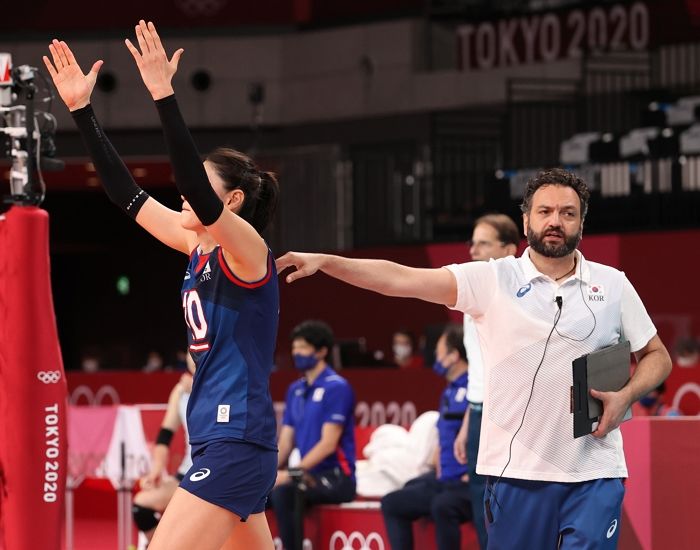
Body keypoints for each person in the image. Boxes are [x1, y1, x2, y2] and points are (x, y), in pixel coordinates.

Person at [276, 168, 672, 549]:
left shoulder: (613, 284)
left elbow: (656, 356)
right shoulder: (491, 280)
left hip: (594, 473)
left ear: (582, 222)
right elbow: (400, 278)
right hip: (515, 476)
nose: (556, 221)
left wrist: (627, 395)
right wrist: (328, 262)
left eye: (568, 213)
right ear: (526, 219)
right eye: (545, 211)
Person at [44, 20, 280, 550]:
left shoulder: (245, 250)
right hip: (224, 442)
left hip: (234, 440)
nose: (180, 193)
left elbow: (193, 185)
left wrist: (163, 95)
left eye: (197, 185)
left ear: (233, 203)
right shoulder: (195, 245)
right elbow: (124, 193)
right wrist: (82, 112)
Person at [452, 213, 519, 550]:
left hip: (510, 412)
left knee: (513, 499)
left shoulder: (521, 297)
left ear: (508, 249)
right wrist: (469, 418)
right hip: (480, 412)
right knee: (482, 500)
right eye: (472, 243)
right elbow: (479, 369)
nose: (473, 250)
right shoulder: (470, 296)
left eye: (483, 243)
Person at [381, 324, 472, 550]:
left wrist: (474, 474)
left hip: (469, 482)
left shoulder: (475, 389)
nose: (435, 358)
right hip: (445, 479)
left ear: (454, 356)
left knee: (442, 506)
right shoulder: (449, 391)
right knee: (393, 502)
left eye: (439, 353)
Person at [271, 320, 356, 550]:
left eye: (303, 347)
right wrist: (266, 474)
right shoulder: (295, 390)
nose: (296, 352)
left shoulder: (337, 387)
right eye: (294, 347)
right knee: (255, 492)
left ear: (322, 351)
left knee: (284, 495)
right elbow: (286, 441)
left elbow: (328, 444)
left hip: (336, 477)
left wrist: (290, 473)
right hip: (305, 475)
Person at [132, 357, 195, 544]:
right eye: (189, 351)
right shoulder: (180, 391)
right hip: (186, 473)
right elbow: (164, 435)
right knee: (141, 506)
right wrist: (157, 468)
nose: (193, 356)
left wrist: (201, 390)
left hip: (213, 473)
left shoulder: (222, 386)